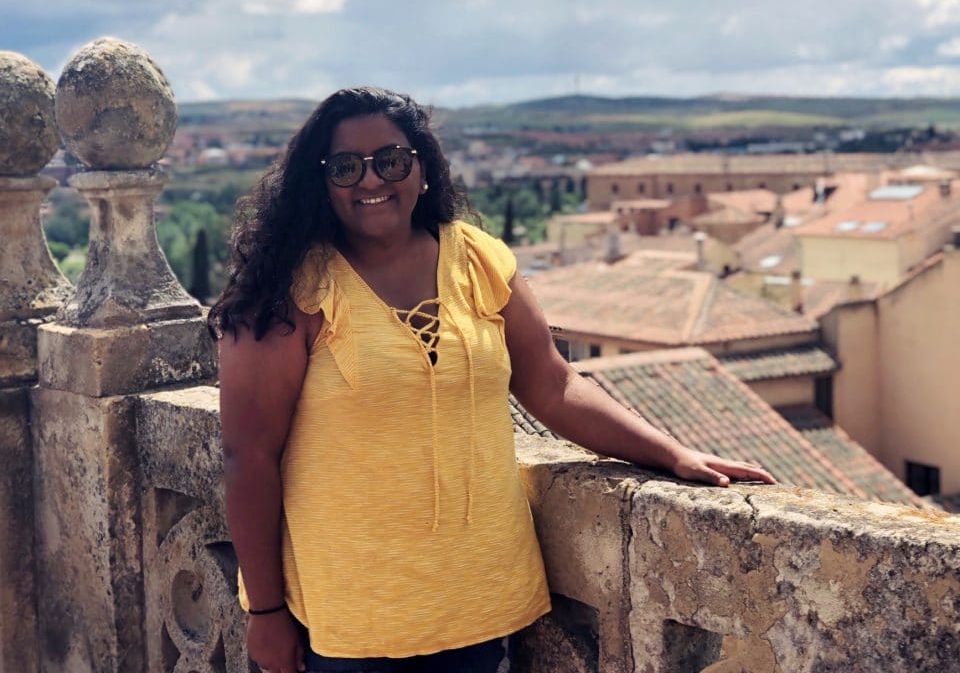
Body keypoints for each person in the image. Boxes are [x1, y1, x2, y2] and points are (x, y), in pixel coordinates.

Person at [209, 86, 775, 673]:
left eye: (392, 161)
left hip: (479, 600)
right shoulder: (290, 290)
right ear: (319, 183)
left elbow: (552, 385)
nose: (371, 181)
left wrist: (671, 453)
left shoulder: (476, 260)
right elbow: (248, 456)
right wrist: (267, 612)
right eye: (346, 168)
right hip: (350, 616)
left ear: (422, 168)